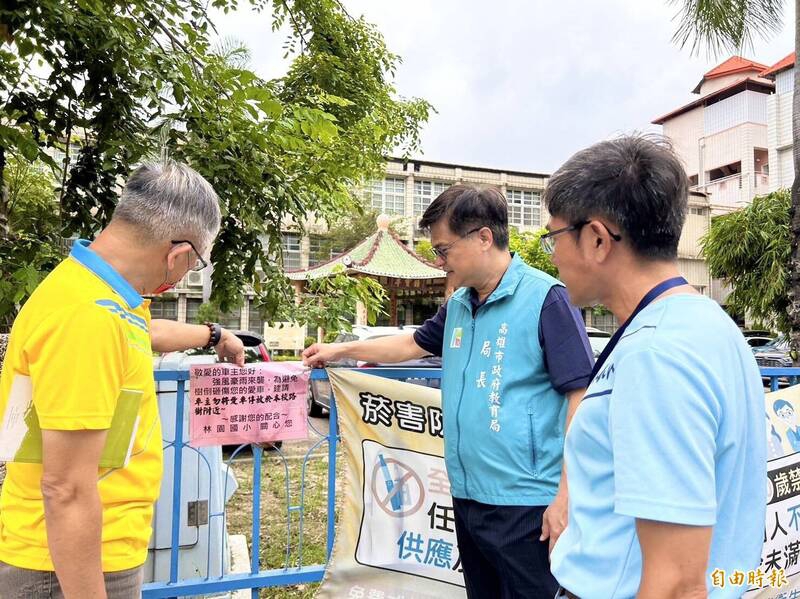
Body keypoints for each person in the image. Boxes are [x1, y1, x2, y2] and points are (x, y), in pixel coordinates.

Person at [303, 184, 594, 598]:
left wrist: (566, 497)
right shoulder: (459, 304)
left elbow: (580, 397)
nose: (440, 261)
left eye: (443, 249)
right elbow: (412, 344)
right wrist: (342, 349)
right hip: (467, 493)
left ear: (483, 237)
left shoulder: (546, 298)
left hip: (529, 503)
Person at [0, 161, 245, 599]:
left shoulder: (106, 296)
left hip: (86, 550)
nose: (182, 277)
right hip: (65, 566)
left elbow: (145, 333)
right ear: (180, 256)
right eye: (193, 266)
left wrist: (216, 335)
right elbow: (66, 489)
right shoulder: (87, 318)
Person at [544, 135, 766, 598]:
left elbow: (676, 584)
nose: (553, 255)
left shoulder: (656, 355)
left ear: (597, 239)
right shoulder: (708, 324)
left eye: (554, 236)